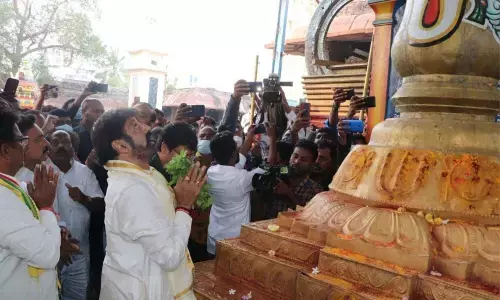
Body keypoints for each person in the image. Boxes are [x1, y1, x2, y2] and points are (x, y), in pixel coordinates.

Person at [92, 108, 206, 299]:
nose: (147, 127)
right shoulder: (131, 189)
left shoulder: (145, 174)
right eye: (135, 126)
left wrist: (179, 198)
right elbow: (169, 257)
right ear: (121, 146)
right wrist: (184, 207)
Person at [0, 101, 61, 300]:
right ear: (6, 150)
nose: (24, 146)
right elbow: (48, 254)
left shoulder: (10, 187)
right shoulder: (3, 198)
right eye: (22, 140)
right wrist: (45, 208)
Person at [48, 130, 104, 300]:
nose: (61, 147)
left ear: (73, 149)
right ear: (48, 148)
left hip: (79, 252)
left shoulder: (85, 172)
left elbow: (101, 205)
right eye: (55, 142)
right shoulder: (39, 170)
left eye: (66, 143)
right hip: (49, 252)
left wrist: (84, 198)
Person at [207, 127, 266, 256]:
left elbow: (240, 158)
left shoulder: (210, 172)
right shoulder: (243, 178)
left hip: (214, 236)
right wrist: (272, 138)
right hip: (235, 240)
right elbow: (270, 165)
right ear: (234, 153)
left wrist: (249, 137)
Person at [267, 139, 323, 218]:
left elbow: (310, 216)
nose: (297, 162)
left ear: (312, 164)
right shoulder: (279, 175)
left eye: (303, 160)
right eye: (295, 156)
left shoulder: (315, 190)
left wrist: (289, 194)